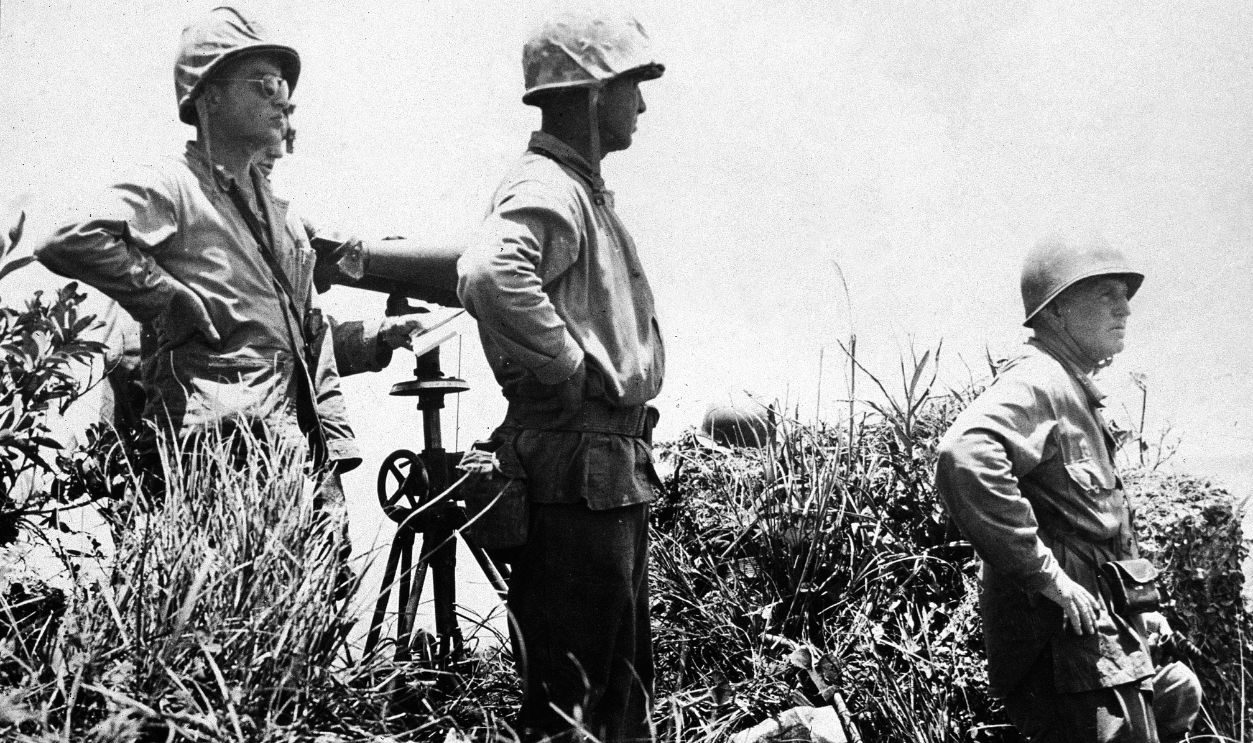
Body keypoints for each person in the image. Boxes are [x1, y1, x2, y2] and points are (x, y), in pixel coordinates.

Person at [457, 6, 666, 741]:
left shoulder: (575, 190)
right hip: (577, 467)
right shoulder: (548, 186)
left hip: (604, 467)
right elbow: (489, 271)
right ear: (590, 91)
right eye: (630, 83)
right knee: (573, 705)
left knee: (615, 698)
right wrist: (569, 364)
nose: (639, 102)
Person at [35, 8, 357, 483]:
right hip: (216, 448)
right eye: (264, 84)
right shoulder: (175, 185)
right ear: (210, 97)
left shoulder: (277, 212)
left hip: (288, 445)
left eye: (285, 87)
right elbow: (65, 237)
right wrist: (169, 297)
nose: (281, 99)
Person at [935, 236, 1201, 742]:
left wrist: (1143, 611)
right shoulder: (1039, 381)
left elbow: (1098, 524)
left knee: (1177, 695)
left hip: (1100, 642)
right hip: (1067, 650)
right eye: (1105, 294)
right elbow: (964, 454)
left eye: (1125, 294)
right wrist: (1047, 578)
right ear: (1056, 310)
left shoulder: (1072, 389)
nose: (1124, 307)